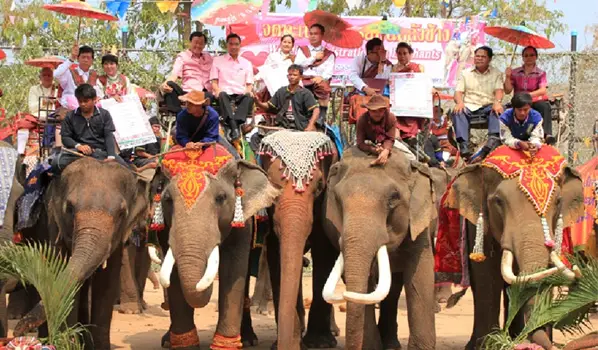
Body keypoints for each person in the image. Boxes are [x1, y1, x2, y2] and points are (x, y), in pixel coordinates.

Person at [54, 84, 127, 172]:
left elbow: (108, 136)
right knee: (56, 163)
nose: (82, 104)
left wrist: (111, 156)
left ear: (94, 99)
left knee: (128, 171)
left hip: (101, 153)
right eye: (80, 101)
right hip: (77, 153)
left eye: (86, 101)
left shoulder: (104, 114)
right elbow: (65, 137)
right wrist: (78, 146)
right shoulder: (70, 116)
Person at [453, 46, 504, 157]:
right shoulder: (465, 73)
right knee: (458, 110)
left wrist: (498, 101)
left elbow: (499, 90)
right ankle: (464, 144)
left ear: (489, 59)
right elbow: (458, 92)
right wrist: (459, 102)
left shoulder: (497, 73)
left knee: (498, 109)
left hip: (488, 106)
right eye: (477, 56)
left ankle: (493, 140)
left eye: (483, 56)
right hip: (469, 106)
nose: (479, 58)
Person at [504, 46, 554, 144]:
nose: (529, 58)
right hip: (519, 102)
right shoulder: (515, 72)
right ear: (522, 58)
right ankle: (508, 136)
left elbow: (542, 90)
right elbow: (508, 90)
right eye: (526, 55)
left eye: (532, 55)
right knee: (507, 111)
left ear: (536, 57)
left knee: (544, 106)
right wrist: (507, 77)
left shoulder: (541, 73)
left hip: (533, 100)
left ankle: (546, 134)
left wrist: (528, 96)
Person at [210, 33, 254, 141]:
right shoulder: (217, 60)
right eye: (231, 44)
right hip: (224, 94)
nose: (234, 47)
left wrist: (248, 92)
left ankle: (232, 124)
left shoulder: (246, 63)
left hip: (240, 95)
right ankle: (235, 128)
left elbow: (249, 85)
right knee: (222, 94)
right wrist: (217, 91)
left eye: (236, 44)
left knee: (249, 96)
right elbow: (214, 82)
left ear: (240, 46)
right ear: (227, 45)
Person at [254, 64, 320, 131]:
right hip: (283, 126)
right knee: (257, 138)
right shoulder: (281, 91)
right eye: (290, 75)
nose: (291, 77)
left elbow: (316, 110)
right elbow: (268, 105)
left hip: (300, 126)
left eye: (294, 75)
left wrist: (310, 125)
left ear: (301, 77)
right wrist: (258, 102)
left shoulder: (305, 93)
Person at [161, 31, 214, 114]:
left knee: (211, 96)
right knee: (170, 85)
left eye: (201, 43)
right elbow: (174, 74)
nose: (198, 46)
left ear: (204, 45)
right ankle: (179, 113)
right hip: (188, 91)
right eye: (195, 43)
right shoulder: (183, 56)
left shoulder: (209, 57)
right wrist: (165, 84)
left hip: (205, 93)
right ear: (190, 42)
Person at [295, 23, 336, 119]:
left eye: (316, 34)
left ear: (322, 36)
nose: (312, 36)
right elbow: (297, 65)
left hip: (319, 81)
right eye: (311, 34)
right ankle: (301, 120)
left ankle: (321, 120)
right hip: (304, 80)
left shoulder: (329, 54)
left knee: (323, 87)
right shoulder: (302, 50)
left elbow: (328, 71)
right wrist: (314, 58)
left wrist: (321, 77)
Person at [392, 42, 427, 144]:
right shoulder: (393, 68)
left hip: (414, 98)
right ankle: (397, 135)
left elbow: (423, 83)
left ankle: (411, 136)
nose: (402, 56)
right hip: (398, 97)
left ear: (410, 54)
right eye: (399, 53)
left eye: (405, 53)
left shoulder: (419, 67)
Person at [255, 34, 296, 110]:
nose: (286, 44)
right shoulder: (273, 56)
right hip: (274, 81)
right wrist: (256, 77)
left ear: (292, 45)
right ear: (281, 43)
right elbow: (266, 69)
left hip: (289, 82)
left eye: (289, 43)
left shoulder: (295, 58)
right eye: (284, 42)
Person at [54, 43, 101, 109]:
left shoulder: (94, 75)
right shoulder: (69, 73)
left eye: (88, 58)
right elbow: (56, 74)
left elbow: (99, 94)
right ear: (78, 59)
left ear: (92, 60)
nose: (86, 60)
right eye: (83, 57)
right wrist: (71, 59)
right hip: (71, 111)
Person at [355, 94, 396, 166]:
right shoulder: (362, 120)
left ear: (384, 110)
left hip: (386, 141)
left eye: (380, 111)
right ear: (368, 110)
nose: (377, 114)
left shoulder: (391, 118)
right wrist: (373, 149)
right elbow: (360, 142)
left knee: (410, 156)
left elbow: (390, 138)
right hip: (369, 142)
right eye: (374, 111)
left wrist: (386, 150)